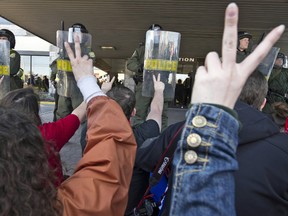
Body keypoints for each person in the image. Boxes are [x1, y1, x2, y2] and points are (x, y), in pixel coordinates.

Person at [0, 87, 87, 186]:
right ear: (34, 112)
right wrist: (96, 89)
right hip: (48, 196)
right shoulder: (48, 134)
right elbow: (78, 114)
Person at [127, 24, 170, 130]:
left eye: (158, 34)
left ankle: (162, 136)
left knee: (162, 113)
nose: (156, 37)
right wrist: (140, 67)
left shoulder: (167, 50)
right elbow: (130, 63)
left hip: (161, 84)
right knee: (140, 112)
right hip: (144, 84)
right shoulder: (142, 49)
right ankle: (139, 135)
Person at [55, 23, 95, 120]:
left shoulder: (87, 50)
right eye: (74, 33)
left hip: (79, 87)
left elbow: (91, 60)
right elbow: (54, 65)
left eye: (79, 33)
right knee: (61, 114)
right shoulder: (63, 49)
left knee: (80, 116)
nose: (76, 35)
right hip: (64, 85)